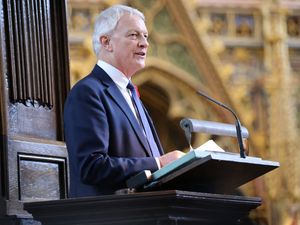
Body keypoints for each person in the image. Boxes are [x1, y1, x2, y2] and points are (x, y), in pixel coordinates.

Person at [64, 4, 185, 198]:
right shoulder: (88, 92)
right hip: (108, 214)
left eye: (146, 36)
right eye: (134, 35)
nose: (144, 43)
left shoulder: (131, 95)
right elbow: (91, 166)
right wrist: (158, 163)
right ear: (107, 42)